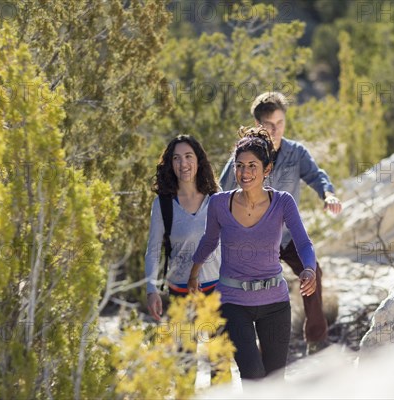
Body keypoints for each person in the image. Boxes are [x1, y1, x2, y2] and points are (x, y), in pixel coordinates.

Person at [188, 126, 317, 380]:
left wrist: (309, 268)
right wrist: (194, 273)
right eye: (239, 166)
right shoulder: (218, 203)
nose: (244, 172)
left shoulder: (282, 202)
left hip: (275, 303)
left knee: (275, 380)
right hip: (232, 303)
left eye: (252, 166)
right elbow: (209, 241)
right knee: (253, 376)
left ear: (267, 169)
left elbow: (304, 242)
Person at [219, 92, 342, 354]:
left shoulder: (296, 153)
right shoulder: (242, 158)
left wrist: (328, 193)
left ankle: (316, 339)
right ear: (257, 124)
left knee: (313, 274)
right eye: (269, 124)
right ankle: (253, 348)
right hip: (250, 241)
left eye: (280, 123)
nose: (276, 130)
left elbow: (316, 175)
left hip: (286, 237)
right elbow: (218, 194)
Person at [145, 135, 220, 320]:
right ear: (170, 164)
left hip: (219, 289)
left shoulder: (216, 198)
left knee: (222, 349)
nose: (183, 163)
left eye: (188, 156)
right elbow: (153, 250)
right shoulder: (163, 204)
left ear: (198, 161)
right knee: (183, 349)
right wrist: (151, 289)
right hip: (181, 290)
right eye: (176, 158)